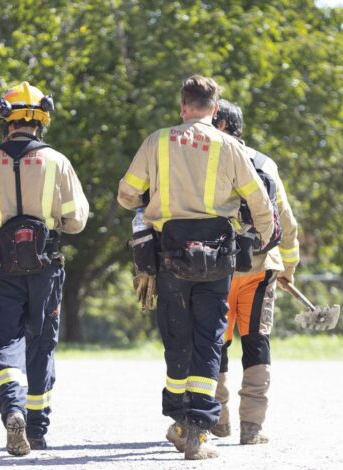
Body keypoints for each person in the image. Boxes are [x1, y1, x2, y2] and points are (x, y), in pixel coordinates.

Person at [117, 75, 275, 460]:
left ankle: (178, 418)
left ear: (183, 106)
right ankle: (198, 431)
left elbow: (126, 195)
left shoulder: (157, 141)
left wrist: (148, 200)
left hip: (170, 255)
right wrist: (267, 238)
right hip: (217, 257)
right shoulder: (229, 146)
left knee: (177, 335)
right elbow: (259, 201)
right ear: (214, 108)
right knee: (209, 339)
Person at [0, 81, 89, 456]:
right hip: (45, 270)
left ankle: (13, 409)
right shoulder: (57, 161)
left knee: (6, 345)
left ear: (4, 118)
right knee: (41, 345)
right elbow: (77, 221)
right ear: (42, 118)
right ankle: (37, 430)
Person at [210, 99, 300, 444]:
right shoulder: (264, 163)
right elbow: (287, 223)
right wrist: (288, 266)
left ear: (218, 125)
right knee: (256, 343)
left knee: (215, 341)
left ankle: (219, 419)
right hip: (261, 269)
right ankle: (252, 427)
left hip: (217, 268)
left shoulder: (209, 162)